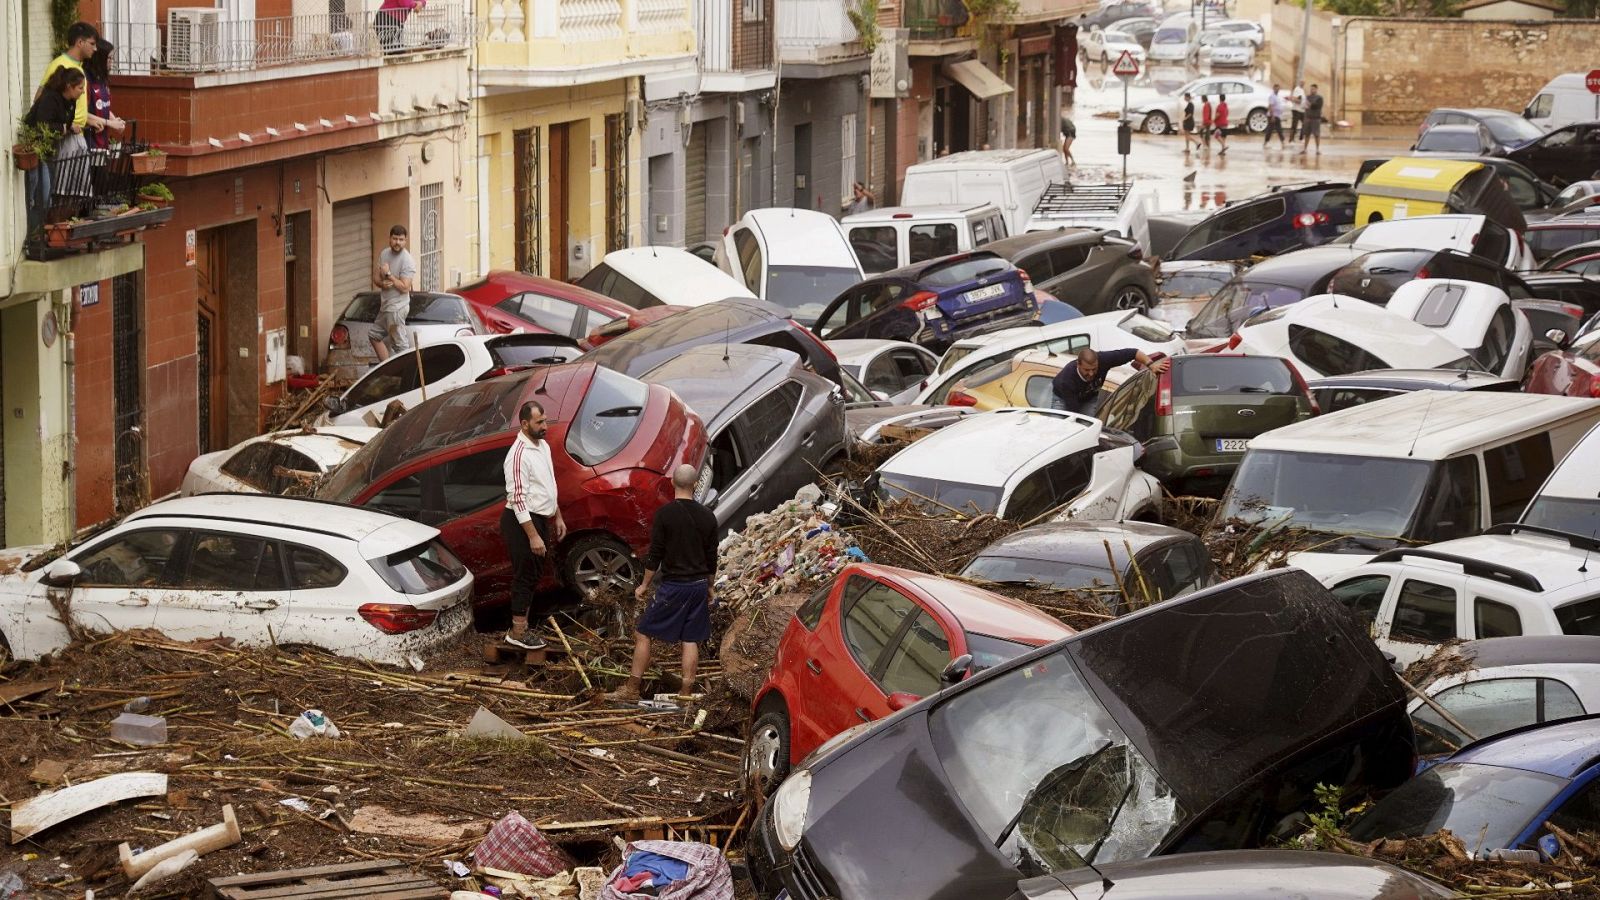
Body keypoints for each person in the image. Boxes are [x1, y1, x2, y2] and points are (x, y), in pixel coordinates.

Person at [602, 464, 719, 705]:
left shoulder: (665, 515)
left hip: (674, 586)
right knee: (690, 638)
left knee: (643, 633)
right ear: (696, 485)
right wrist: (710, 586)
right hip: (697, 585)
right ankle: (686, 692)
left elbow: (655, 555)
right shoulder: (708, 517)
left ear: (673, 484)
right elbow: (711, 557)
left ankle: (632, 687)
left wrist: (644, 585)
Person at [501, 400, 567, 651]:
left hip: (540, 517)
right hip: (521, 522)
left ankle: (523, 626)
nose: (545, 426)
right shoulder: (517, 455)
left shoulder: (543, 446)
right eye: (540, 422)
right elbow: (518, 499)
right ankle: (517, 632)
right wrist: (533, 536)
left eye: (545, 420)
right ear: (525, 423)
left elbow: (548, 484)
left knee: (536, 572)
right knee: (526, 575)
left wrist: (557, 514)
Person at [23, 66, 85, 235]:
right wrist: (64, 127)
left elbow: (65, 122)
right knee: (40, 194)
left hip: (50, 150)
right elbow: (43, 124)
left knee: (47, 196)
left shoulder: (71, 102)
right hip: (36, 148)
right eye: (80, 88)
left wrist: (69, 126)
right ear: (69, 86)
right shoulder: (50, 98)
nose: (83, 92)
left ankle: (35, 233)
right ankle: (30, 234)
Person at [1050, 347, 1169, 416]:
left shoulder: (1105, 359)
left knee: (1088, 426)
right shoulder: (1066, 380)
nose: (1091, 374)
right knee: (1063, 428)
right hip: (1063, 398)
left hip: (1089, 397)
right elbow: (1074, 414)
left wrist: (1151, 365)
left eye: (1094, 369)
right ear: (1078, 364)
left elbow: (1134, 353)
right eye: (1087, 370)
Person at [370, 224, 416, 361]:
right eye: (395, 239)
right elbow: (376, 278)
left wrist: (389, 275)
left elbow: (405, 287)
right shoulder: (384, 253)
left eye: (401, 239)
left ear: (405, 241)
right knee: (373, 335)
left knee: (400, 346)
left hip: (397, 308)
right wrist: (382, 284)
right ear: (390, 239)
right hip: (385, 306)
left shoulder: (407, 260)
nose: (397, 242)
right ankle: (387, 370)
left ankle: (406, 376)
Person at [82, 40, 126, 154]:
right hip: (88, 143)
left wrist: (114, 120)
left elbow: (103, 105)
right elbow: (82, 113)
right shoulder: (85, 79)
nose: (112, 62)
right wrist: (110, 123)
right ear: (100, 59)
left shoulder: (102, 78)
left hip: (102, 142)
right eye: (109, 58)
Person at [1301, 83, 1324, 155]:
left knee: (1316, 134)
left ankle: (1317, 149)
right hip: (1308, 118)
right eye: (1311, 89)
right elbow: (1304, 105)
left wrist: (1308, 104)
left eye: (1313, 89)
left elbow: (1316, 106)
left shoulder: (1319, 98)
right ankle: (1305, 149)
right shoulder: (1307, 97)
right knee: (1307, 134)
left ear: (1316, 89)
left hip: (1316, 119)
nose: (1311, 90)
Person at [1264, 84, 1287, 148]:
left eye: (1278, 88)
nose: (1277, 89)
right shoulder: (1272, 96)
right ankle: (1266, 143)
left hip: (1277, 115)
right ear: (1273, 88)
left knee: (1279, 129)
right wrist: (1272, 116)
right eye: (1276, 88)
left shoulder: (1277, 96)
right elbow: (1270, 106)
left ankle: (1283, 142)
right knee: (1270, 129)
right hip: (1273, 116)